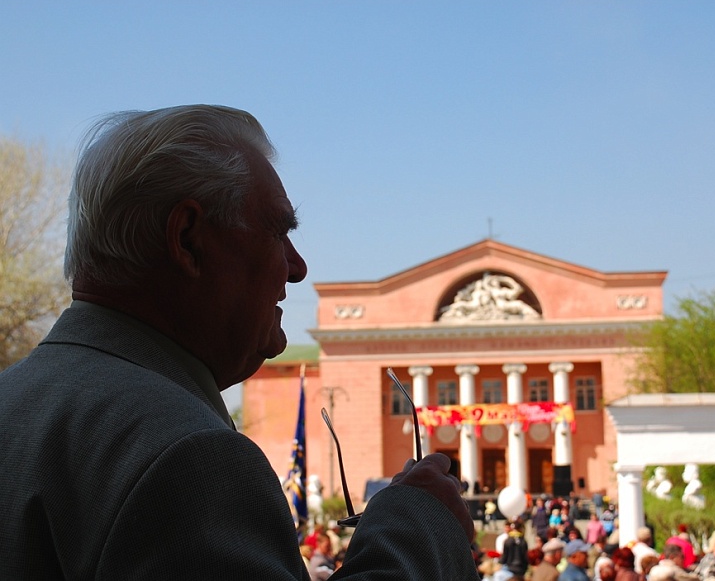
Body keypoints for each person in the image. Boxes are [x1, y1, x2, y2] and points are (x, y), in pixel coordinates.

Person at [0, 105, 478, 580]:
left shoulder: (16, 404)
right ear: (187, 239)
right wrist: (420, 526)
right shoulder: (189, 456)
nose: (298, 267)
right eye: (278, 233)